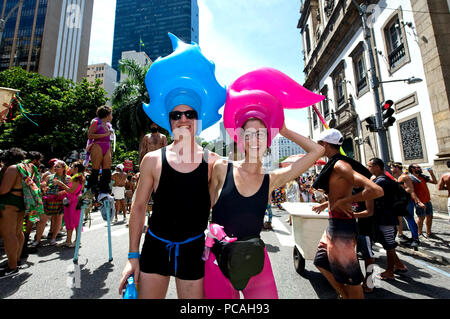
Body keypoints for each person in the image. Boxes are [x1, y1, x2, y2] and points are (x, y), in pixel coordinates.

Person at [118, 33, 226, 299]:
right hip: (155, 247)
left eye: (189, 113)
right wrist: (133, 256)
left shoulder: (214, 163)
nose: (183, 119)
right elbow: (139, 207)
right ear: (169, 120)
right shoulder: (153, 160)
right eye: (176, 115)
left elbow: (231, 196)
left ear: (198, 118)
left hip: (193, 250)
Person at [205, 120, 324, 299]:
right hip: (217, 260)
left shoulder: (272, 179)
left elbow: (318, 151)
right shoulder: (221, 168)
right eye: (249, 134)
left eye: (261, 134)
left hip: (255, 260)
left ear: (268, 141)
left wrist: (283, 129)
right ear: (241, 139)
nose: (254, 139)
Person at [311, 129, 384, 299]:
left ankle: (350, 294)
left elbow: (376, 190)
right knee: (320, 262)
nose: (317, 147)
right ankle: (344, 295)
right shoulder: (333, 164)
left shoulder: (340, 165)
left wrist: (345, 201)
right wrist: (327, 203)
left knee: (351, 278)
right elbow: (338, 193)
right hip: (334, 224)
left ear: (325, 145)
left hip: (342, 226)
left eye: (318, 144)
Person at [368, 158, 408, 280]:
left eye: (370, 166)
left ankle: (390, 271)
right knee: (387, 243)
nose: (368, 168)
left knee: (389, 245)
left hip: (387, 219)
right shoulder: (381, 180)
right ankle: (399, 265)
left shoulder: (382, 182)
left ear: (377, 167)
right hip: (384, 218)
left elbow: (369, 194)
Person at [0, 148, 28, 277]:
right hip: (20, 202)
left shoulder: (12, 168)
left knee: (8, 235)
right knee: (17, 232)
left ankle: (12, 267)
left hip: (9, 203)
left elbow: (3, 190)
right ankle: (15, 260)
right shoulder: (26, 167)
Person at [33, 160, 69, 247]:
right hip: (47, 200)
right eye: (55, 166)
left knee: (58, 219)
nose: (55, 168)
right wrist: (43, 186)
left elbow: (70, 190)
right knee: (42, 220)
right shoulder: (49, 177)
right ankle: (37, 240)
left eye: (58, 167)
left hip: (59, 201)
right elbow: (44, 184)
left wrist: (62, 188)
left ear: (63, 168)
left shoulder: (68, 178)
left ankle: (53, 238)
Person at [53, 161, 85, 248]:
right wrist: (63, 191)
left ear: (76, 169)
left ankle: (77, 241)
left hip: (74, 202)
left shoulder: (77, 177)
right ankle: (68, 240)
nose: (70, 168)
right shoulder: (76, 177)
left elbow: (72, 191)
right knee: (69, 221)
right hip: (71, 201)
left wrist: (61, 184)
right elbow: (73, 189)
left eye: (71, 167)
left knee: (75, 221)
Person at [86, 106, 114, 199]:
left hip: (107, 145)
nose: (112, 116)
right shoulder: (95, 122)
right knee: (95, 169)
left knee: (107, 170)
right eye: (111, 114)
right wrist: (104, 134)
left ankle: (104, 191)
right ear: (107, 114)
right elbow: (89, 135)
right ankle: (91, 191)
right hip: (98, 145)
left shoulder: (109, 124)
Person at [390, 162, 420, 248]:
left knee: (410, 219)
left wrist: (399, 192)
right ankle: (413, 237)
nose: (391, 170)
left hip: (407, 202)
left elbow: (410, 189)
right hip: (404, 201)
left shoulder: (404, 177)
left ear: (397, 168)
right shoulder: (401, 177)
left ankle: (415, 239)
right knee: (408, 219)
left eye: (392, 168)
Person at [408, 163, 438, 238]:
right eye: (418, 167)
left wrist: (431, 173)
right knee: (421, 217)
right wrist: (418, 201)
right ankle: (419, 233)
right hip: (420, 201)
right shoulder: (410, 178)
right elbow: (412, 191)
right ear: (412, 169)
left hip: (427, 200)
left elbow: (435, 182)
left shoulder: (423, 177)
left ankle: (429, 232)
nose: (420, 168)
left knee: (430, 216)